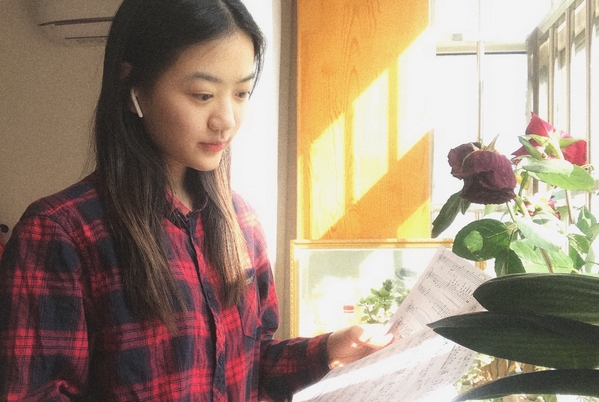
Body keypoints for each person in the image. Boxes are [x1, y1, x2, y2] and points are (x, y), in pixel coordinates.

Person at [0, 0, 393, 400]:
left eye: (241, 93)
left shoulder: (241, 222)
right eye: (203, 95)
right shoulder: (62, 233)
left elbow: (251, 363)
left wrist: (328, 351)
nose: (226, 120)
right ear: (133, 86)